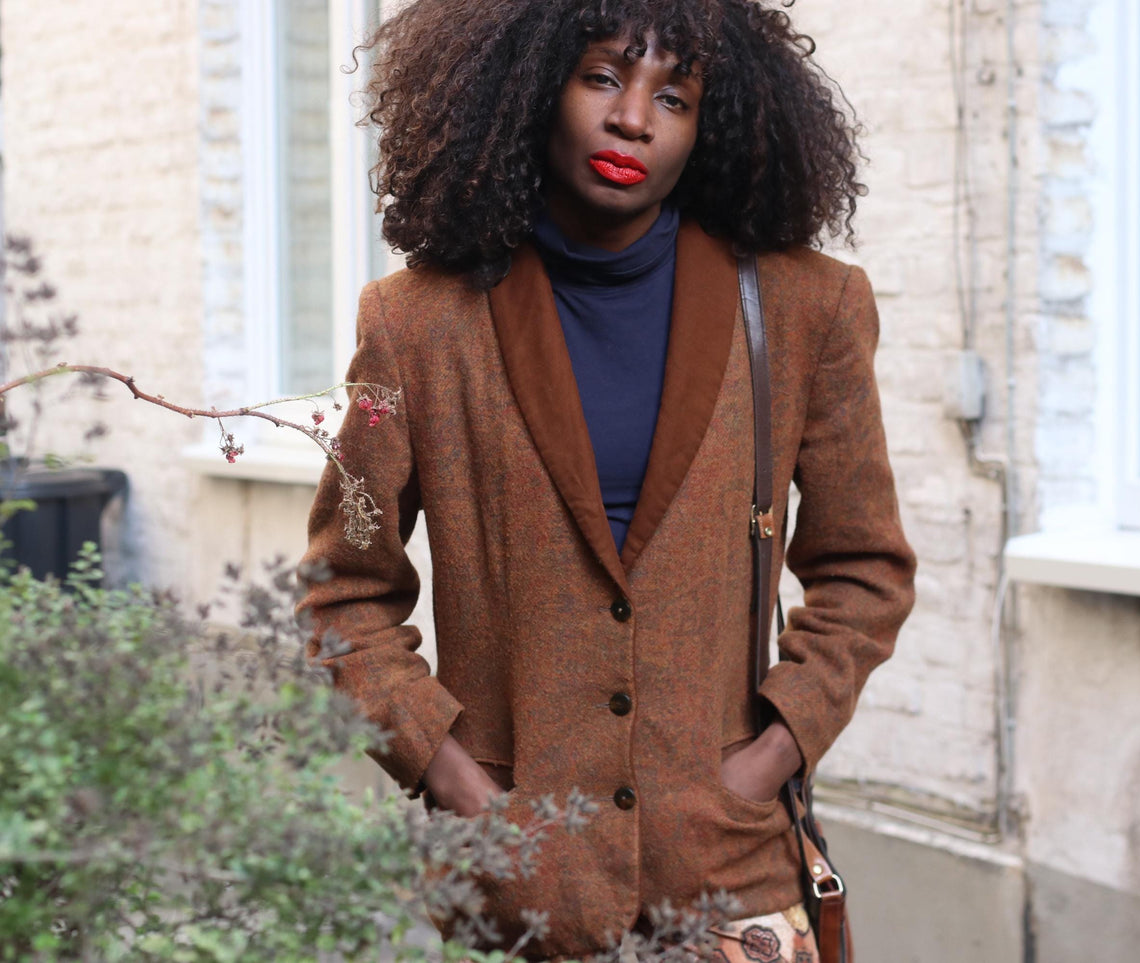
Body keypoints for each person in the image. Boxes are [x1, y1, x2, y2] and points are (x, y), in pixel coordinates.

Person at [297, 0, 915, 959]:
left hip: (730, 875)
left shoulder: (807, 308)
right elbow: (342, 594)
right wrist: (456, 780)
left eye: (673, 95)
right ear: (529, 88)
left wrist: (768, 758)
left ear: (712, 123)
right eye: (601, 78)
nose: (634, 118)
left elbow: (864, 568)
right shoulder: (412, 327)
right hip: (515, 887)